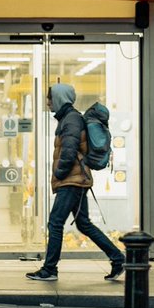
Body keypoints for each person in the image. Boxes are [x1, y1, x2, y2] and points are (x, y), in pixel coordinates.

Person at [26, 83, 126, 282]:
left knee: (55, 223)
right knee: (84, 224)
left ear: (59, 99)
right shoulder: (68, 118)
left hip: (72, 180)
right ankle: (118, 259)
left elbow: (69, 151)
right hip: (77, 178)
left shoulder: (70, 119)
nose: (47, 103)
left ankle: (50, 269)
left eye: (50, 98)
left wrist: (60, 173)